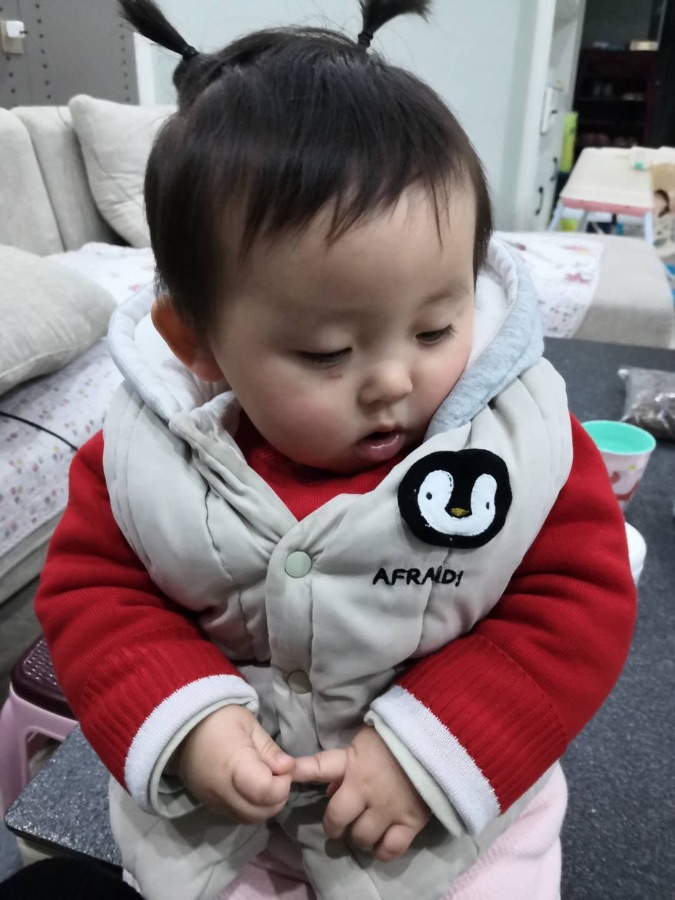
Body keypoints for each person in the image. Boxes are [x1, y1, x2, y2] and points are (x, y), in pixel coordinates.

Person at [34, 1, 636, 898]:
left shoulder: (524, 444)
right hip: (234, 833)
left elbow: (576, 602)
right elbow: (95, 597)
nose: (393, 380)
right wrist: (186, 720)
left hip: (448, 826)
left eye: (434, 328)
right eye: (326, 353)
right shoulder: (140, 461)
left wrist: (436, 745)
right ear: (196, 342)